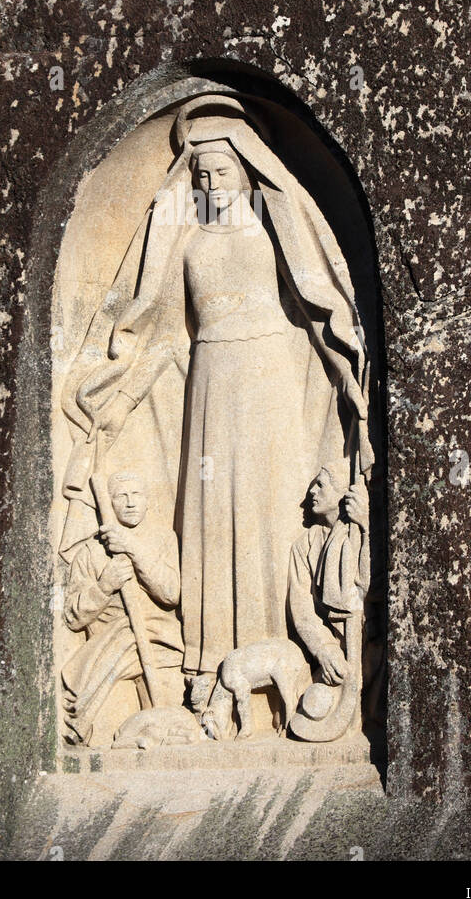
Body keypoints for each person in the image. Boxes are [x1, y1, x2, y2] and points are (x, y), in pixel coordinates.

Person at [62, 95, 374, 683]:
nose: (211, 181)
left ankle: (286, 644)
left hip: (270, 378)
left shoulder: (272, 226)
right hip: (210, 381)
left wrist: (342, 371)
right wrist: (121, 396)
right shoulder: (185, 239)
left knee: (275, 506)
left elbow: (314, 304)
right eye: (201, 174)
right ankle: (211, 657)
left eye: (222, 171)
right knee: (210, 506)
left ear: (247, 168)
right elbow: (159, 327)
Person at [61, 471, 183, 745]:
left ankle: (86, 709)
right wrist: (104, 586)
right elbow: (73, 617)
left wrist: (134, 550)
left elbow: (171, 594)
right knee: (126, 634)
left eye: (137, 494)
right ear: (110, 503)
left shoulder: (164, 540)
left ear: (148, 501)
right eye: (121, 496)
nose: (130, 503)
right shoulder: (91, 552)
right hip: (110, 654)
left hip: (163, 647)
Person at [287, 465, 369, 684]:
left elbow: (369, 588)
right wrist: (324, 649)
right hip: (333, 650)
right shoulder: (305, 544)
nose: (312, 491)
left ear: (342, 493)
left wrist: (365, 527)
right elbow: (301, 605)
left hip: (369, 644)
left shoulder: (360, 531)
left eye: (321, 485)